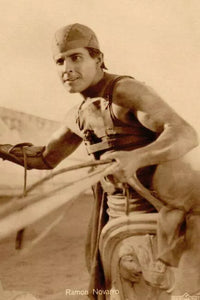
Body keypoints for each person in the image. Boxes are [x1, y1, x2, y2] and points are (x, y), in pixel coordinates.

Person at [0, 23, 198, 298]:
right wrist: (2, 148)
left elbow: (184, 133)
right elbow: (45, 158)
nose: (66, 68)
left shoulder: (125, 92)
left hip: (158, 220)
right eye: (60, 61)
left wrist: (136, 157)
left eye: (76, 57)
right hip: (115, 221)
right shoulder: (79, 113)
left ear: (99, 59)